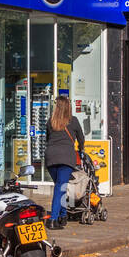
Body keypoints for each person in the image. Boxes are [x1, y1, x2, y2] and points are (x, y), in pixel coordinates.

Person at [44, 97, 84, 230]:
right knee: (60, 188)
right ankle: (53, 219)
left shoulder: (50, 122)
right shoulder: (73, 121)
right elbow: (81, 139)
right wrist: (81, 150)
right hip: (66, 158)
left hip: (51, 157)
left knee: (60, 188)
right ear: (68, 107)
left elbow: (47, 138)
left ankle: (63, 215)